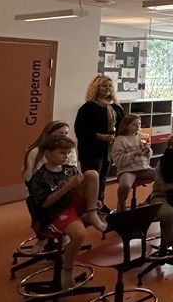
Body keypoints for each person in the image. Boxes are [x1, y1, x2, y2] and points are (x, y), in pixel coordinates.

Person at [27, 133, 106, 289]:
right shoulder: (39, 178)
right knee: (80, 234)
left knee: (92, 174)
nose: (66, 156)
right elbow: (45, 204)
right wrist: (68, 186)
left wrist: (91, 197)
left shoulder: (69, 169)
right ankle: (67, 269)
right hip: (54, 213)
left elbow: (81, 187)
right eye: (62, 153)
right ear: (48, 154)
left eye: (68, 153)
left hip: (72, 205)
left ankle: (91, 213)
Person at [74, 75, 124, 207]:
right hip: (91, 149)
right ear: (96, 88)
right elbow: (80, 129)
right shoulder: (88, 107)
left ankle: (100, 203)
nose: (107, 88)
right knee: (92, 177)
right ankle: (88, 206)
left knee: (103, 177)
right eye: (104, 86)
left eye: (109, 86)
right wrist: (99, 136)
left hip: (108, 149)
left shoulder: (116, 107)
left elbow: (122, 125)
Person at [111, 113, 155, 210]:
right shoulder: (120, 140)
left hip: (143, 169)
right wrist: (134, 154)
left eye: (139, 124)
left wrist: (148, 150)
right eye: (134, 124)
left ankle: (147, 203)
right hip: (127, 170)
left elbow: (149, 156)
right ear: (126, 126)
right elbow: (117, 161)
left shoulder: (142, 136)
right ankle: (121, 207)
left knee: (163, 177)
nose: (138, 126)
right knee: (125, 186)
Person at [22, 121, 78, 186]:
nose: (64, 136)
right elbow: (32, 177)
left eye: (66, 133)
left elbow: (72, 171)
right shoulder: (35, 152)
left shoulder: (71, 150)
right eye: (60, 133)